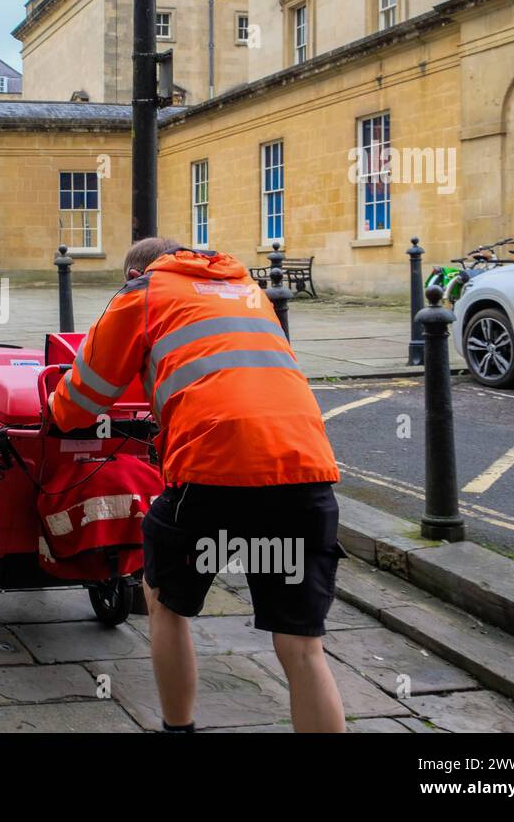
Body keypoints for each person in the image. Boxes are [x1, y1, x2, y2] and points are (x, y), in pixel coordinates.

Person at [47, 236, 347, 733]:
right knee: (301, 645)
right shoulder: (248, 291)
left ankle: (178, 728)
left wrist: (59, 417)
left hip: (211, 471)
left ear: (133, 274)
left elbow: (86, 392)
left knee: (164, 600)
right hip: (303, 470)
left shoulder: (142, 292)